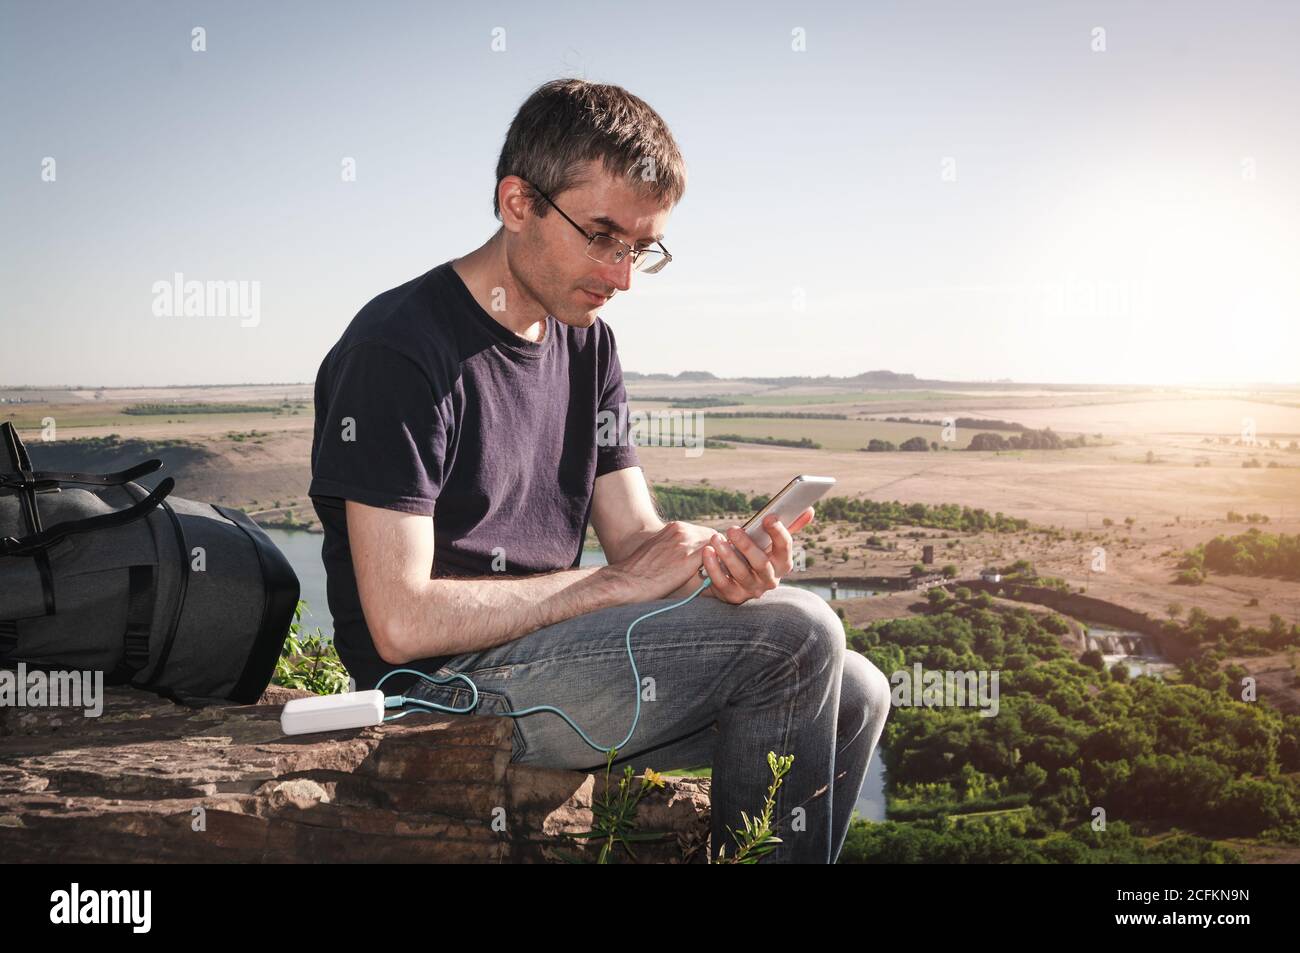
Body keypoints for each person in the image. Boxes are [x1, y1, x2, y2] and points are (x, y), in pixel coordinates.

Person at [308, 78, 891, 863]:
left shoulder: (587, 344)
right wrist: (614, 586)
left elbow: (635, 538)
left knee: (858, 687)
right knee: (802, 634)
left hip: (555, 661)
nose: (620, 276)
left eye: (639, 250)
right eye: (602, 237)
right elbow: (400, 621)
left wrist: (722, 566)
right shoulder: (399, 349)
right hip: (437, 691)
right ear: (518, 202)